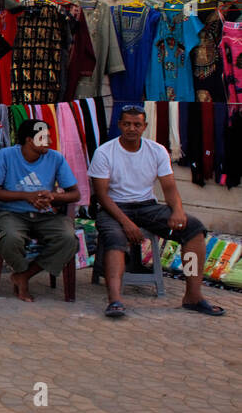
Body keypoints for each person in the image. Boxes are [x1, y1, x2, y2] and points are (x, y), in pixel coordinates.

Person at [90, 103, 224, 318]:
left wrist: (178, 210)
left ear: (145, 126)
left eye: (136, 124)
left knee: (194, 230)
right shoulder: (105, 152)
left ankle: (193, 296)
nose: (131, 129)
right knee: (115, 238)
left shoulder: (157, 150)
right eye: (126, 124)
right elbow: (102, 196)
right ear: (119, 125)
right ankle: (115, 300)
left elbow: (169, 188)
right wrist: (126, 222)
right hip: (114, 207)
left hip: (147, 206)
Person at [0, 118, 81, 302]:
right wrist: (26, 196)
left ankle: (24, 276)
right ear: (30, 140)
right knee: (9, 238)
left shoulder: (56, 158)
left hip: (45, 215)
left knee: (69, 239)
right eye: (44, 138)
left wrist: (53, 197)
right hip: (12, 214)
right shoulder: (6, 155)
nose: (50, 142)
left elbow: (75, 194)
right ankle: (22, 274)